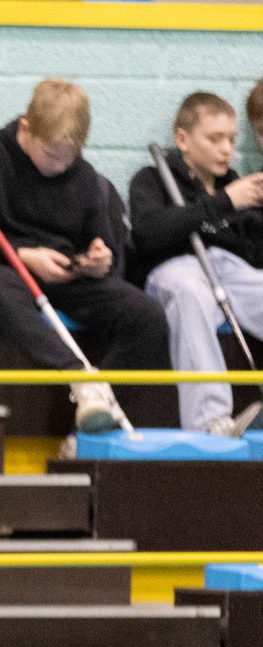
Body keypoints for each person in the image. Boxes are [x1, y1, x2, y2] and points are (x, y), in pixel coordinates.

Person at [0, 78, 172, 432]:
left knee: (146, 315)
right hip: (0, 267)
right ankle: (79, 377)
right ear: (25, 128)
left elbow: (101, 247)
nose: (61, 166)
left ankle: (94, 419)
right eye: (50, 154)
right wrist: (24, 256)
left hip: (65, 275)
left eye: (70, 157)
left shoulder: (84, 175)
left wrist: (97, 262)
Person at [129, 92, 263, 436]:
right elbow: (148, 233)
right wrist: (224, 203)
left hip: (228, 269)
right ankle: (209, 423)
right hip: (176, 268)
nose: (226, 149)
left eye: (231, 139)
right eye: (214, 139)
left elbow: (252, 255)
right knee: (190, 292)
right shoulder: (153, 178)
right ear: (183, 140)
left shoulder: (236, 186)